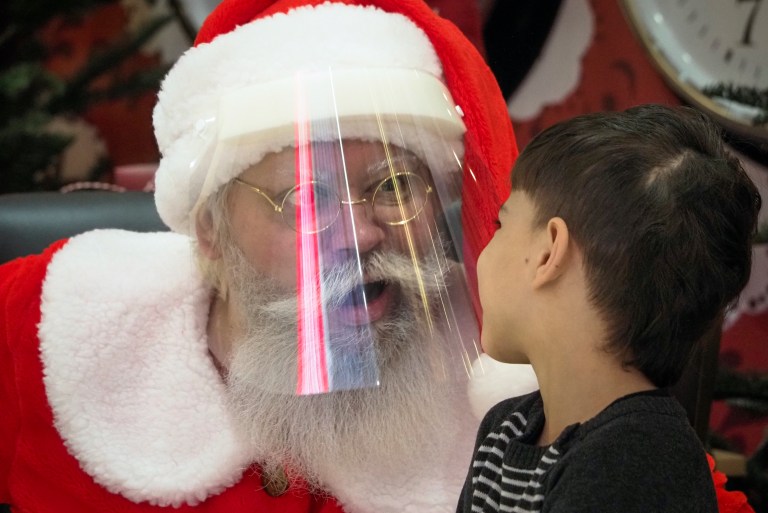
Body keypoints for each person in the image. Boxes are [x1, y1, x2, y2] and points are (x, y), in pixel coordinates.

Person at [0, 1, 539, 512]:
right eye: (305, 197)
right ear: (212, 231)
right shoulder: (47, 325)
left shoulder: (525, 366)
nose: (359, 233)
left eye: (395, 185)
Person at [457, 104, 761, 513]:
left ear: (549, 252)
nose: (484, 251)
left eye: (500, 224)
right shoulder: (505, 428)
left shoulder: (639, 460)